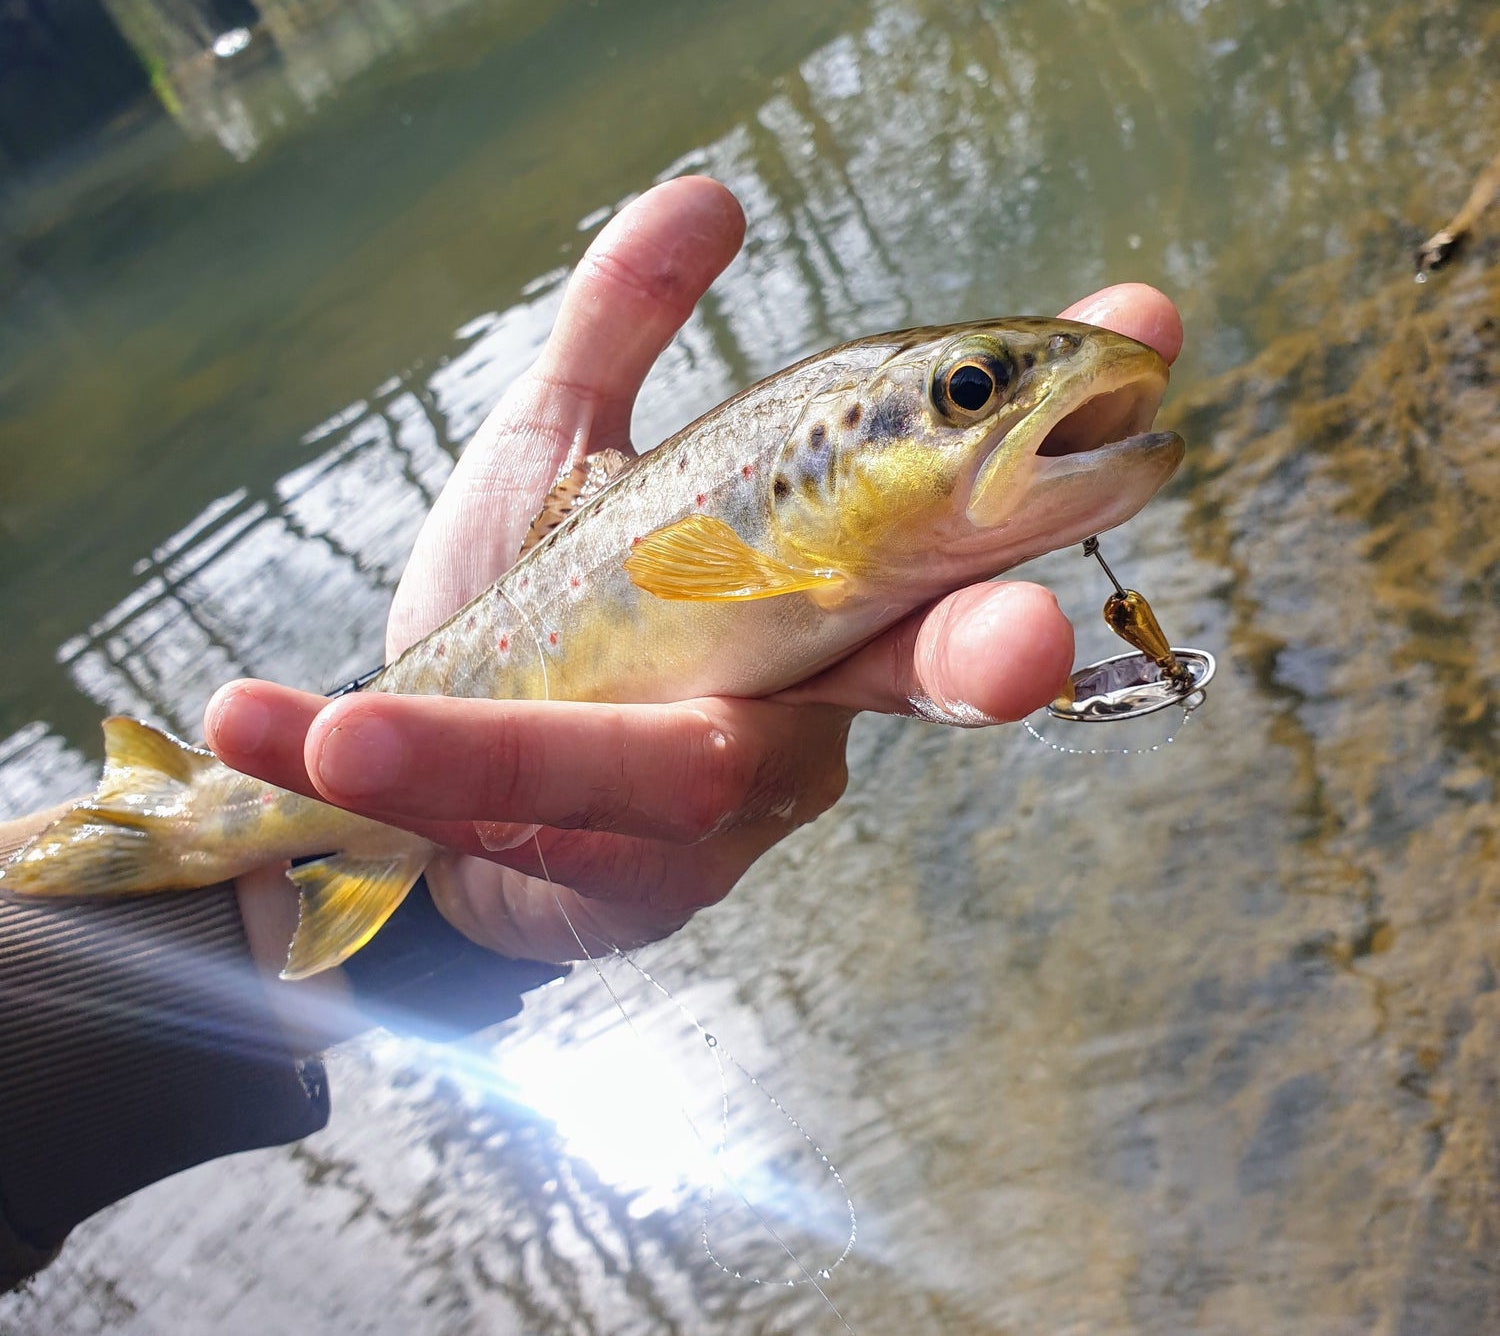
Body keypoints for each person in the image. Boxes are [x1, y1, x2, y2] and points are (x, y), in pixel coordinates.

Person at [0, 176, 1184, 1288]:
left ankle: (208, 822)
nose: (998, 407)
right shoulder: (760, 545)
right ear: (801, 482)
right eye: (970, 395)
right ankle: (190, 816)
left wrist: (414, 909)